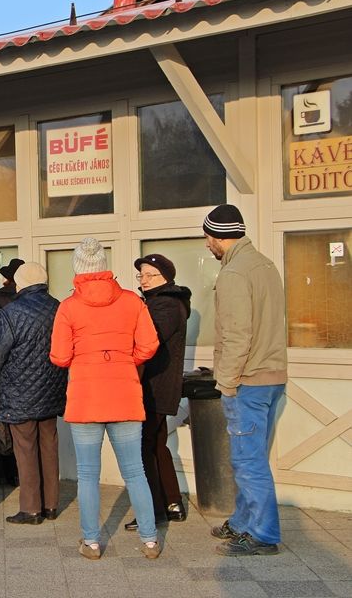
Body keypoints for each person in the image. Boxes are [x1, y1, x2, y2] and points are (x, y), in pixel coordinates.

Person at [50, 238, 162, 560]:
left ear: (78, 268)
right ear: (104, 266)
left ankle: (92, 541)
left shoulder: (68, 307)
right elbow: (149, 345)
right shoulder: (132, 302)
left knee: (87, 474)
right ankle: (150, 539)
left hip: (86, 397)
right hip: (125, 394)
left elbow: (59, 356)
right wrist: (127, 359)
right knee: (135, 470)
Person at [203, 204, 287, 557]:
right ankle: (241, 522)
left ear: (218, 236)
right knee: (249, 457)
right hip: (271, 376)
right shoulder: (265, 265)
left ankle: (264, 534)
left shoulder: (235, 273)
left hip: (248, 380)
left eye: (207, 237)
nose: (207, 244)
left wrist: (226, 382)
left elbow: (237, 335)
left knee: (248, 460)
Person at [0, 262, 67, 525]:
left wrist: (3, 380)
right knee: (49, 445)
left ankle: (31, 508)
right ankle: (52, 504)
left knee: (25, 449)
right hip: (53, 388)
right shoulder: (59, 308)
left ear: (19, 283)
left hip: (19, 391)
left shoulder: (11, 312)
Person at [123, 254, 192, 531]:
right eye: (141, 275)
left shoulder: (165, 305)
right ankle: (172, 502)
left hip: (154, 387)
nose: (144, 279)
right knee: (156, 445)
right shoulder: (161, 302)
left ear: (166, 277)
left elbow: (148, 340)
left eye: (150, 274)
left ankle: (152, 511)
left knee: (145, 448)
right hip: (158, 386)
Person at [0, 258, 24, 488]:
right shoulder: (35, 303)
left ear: (7, 279)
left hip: (2, 374)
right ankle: (16, 473)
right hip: (26, 376)